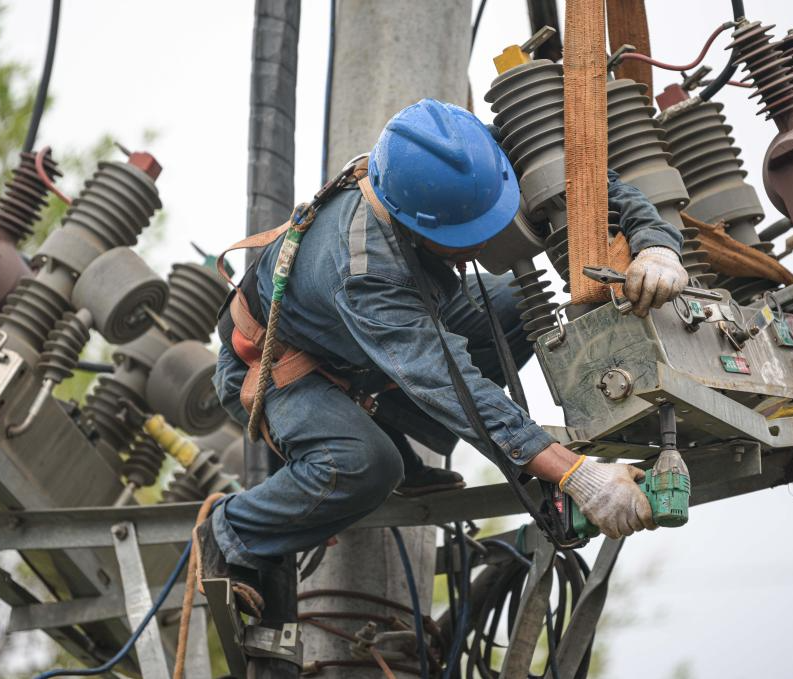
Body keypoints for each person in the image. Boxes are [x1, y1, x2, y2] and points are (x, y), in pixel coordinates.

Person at [197, 98, 688, 616]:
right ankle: (236, 529)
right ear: (418, 223)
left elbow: (581, 176)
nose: (478, 246)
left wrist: (656, 242)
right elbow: (455, 387)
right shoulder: (367, 273)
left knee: (513, 308)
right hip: (280, 366)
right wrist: (575, 475)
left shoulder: (466, 153)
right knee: (364, 465)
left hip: (362, 347)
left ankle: (391, 430)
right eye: (463, 239)